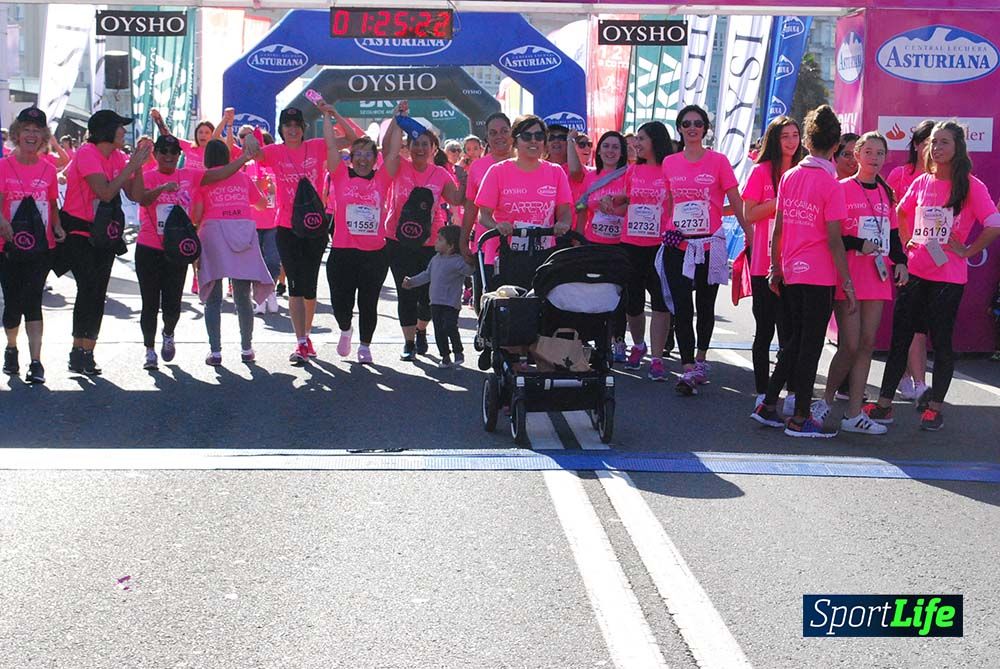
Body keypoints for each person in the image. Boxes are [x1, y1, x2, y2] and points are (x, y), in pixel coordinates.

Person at [864, 121, 1000, 431]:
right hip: (915, 271)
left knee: (941, 342)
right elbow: (899, 213)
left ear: (957, 149)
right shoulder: (921, 181)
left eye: (944, 143)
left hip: (948, 278)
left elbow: (994, 224)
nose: (936, 148)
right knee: (900, 337)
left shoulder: (970, 185)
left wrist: (966, 250)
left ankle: (934, 408)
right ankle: (884, 405)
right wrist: (910, 237)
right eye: (933, 142)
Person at [752, 105, 855, 438]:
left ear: (808, 140)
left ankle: (768, 404)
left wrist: (775, 267)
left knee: (795, 342)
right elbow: (835, 240)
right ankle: (799, 419)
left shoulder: (791, 176)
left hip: (792, 271)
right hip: (818, 275)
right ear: (836, 144)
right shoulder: (831, 184)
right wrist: (848, 283)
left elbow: (778, 228)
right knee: (807, 346)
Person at [810, 132, 909, 435]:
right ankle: (824, 401)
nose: (875, 158)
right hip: (848, 275)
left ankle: (854, 413)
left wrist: (902, 261)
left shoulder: (886, 193)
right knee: (849, 345)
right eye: (868, 152)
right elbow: (832, 234)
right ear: (857, 156)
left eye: (880, 153)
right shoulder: (841, 188)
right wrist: (857, 243)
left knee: (867, 343)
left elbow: (892, 235)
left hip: (877, 276)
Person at [661, 104, 749, 395]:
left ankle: (701, 358)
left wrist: (750, 234)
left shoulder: (719, 161)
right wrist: (667, 229)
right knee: (683, 305)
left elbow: (735, 200)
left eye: (698, 123)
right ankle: (687, 368)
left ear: (705, 128)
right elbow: (668, 203)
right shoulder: (670, 162)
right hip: (680, 245)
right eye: (686, 123)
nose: (692, 127)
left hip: (711, 244)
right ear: (680, 128)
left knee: (706, 306)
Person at [59, 110, 152, 376]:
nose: (124, 132)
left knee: (98, 291)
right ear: (107, 130)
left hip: (106, 232)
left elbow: (136, 196)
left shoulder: (120, 156)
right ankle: (78, 350)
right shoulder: (88, 153)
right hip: (79, 230)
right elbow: (105, 191)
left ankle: (87, 351)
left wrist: (140, 165)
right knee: (88, 287)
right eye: (120, 128)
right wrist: (130, 167)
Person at [256, 106, 342, 365]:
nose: (292, 129)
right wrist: (249, 135)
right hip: (286, 227)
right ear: (281, 129)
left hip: (315, 226)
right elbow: (251, 153)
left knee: (310, 285)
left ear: (303, 127)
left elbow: (349, 139)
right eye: (287, 125)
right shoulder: (274, 152)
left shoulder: (316, 147)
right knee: (294, 284)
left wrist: (330, 114)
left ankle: (306, 335)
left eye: (296, 124)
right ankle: (301, 341)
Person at [384, 104, 465, 361]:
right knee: (405, 291)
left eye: (425, 145)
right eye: (415, 144)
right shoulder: (398, 166)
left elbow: (457, 199)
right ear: (408, 147)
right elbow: (389, 147)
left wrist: (466, 178)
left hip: (432, 243)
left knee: (428, 295)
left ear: (434, 149)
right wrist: (398, 120)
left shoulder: (440, 174)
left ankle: (421, 330)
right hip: (397, 240)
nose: (420, 148)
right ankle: (409, 342)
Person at [326, 110, 401, 365]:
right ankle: (345, 329)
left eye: (368, 154)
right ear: (351, 158)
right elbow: (329, 144)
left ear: (374, 158)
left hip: (374, 254)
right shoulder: (340, 175)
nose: (362, 159)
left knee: (368, 303)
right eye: (357, 154)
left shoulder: (381, 179)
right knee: (340, 302)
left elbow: (393, 151)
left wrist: (398, 118)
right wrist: (329, 115)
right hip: (343, 252)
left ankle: (365, 346)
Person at [742, 116, 805, 409]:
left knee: (790, 332)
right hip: (763, 264)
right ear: (774, 140)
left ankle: (793, 392)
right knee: (765, 330)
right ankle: (761, 390)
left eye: (795, 135)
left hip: (797, 264)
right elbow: (749, 214)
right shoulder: (761, 171)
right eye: (785, 136)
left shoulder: (804, 170)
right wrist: (782, 200)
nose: (792, 141)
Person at [191, 139, 273, 365]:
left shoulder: (203, 180)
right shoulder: (243, 178)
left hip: (213, 234)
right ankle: (247, 349)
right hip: (242, 235)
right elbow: (262, 205)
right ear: (228, 156)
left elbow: (196, 214)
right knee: (242, 297)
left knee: (213, 299)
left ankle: (215, 352)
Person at [0, 107, 65, 384]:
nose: (31, 135)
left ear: (43, 137)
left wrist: (58, 226)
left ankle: (36, 362)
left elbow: (51, 203)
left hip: (41, 247)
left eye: (37, 131)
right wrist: (2, 221)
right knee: (13, 304)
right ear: (17, 134)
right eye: (26, 129)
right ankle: (11, 347)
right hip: (8, 247)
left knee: (33, 301)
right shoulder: (3, 166)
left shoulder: (49, 170)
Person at [475, 114, 574, 288]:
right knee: (511, 311)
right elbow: (483, 215)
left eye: (539, 136)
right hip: (506, 254)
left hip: (544, 254)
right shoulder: (498, 171)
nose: (533, 141)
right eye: (527, 136)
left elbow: (565, 212)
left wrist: (564, 224)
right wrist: (497, 226)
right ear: (515, 141)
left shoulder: (555, 172)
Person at [619, 121, 675, 380]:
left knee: (661, 302)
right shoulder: (632, 171)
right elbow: (627, 204)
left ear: (656, 140)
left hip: (660, 245)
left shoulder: (671, 169)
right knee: (633, 303)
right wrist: (610, 206)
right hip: (631, 244)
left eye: (641, 139)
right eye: (636, 139)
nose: (636, 143)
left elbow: (676, 204)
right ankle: (638, 345)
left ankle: (657, 358)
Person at [568, 129, 629, 360]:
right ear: (599, 151)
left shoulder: (628, 175)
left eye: (615, 147)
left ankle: (619, 341)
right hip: (592, 243)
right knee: (592, 293)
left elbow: (635, 204)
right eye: (606, 146)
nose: (610, 151)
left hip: (621, 244)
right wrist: (577, 239)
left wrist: (614, 206)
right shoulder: (590, 177)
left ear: (622, 151)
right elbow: (581, 208)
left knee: (619, 295)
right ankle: (591, 342)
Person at [886, 120, 936, 401]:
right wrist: (901, 248)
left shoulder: (945, 178)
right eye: (927, 142)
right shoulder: (899, 174)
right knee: (911, 320)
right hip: (904, 259)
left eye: (938, 143)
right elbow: (891, 215)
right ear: (916, 145)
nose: (933, 148)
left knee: (921, 321)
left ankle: (911, 379)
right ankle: (916, 382)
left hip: (935, 263)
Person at [402, 225, 476, 368]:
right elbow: (427, 275)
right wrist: (412, 282)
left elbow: (469, 271)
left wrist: (471, 260)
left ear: (451, 245)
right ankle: (445, 355)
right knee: (438, 330)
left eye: (440, 240)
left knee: (450, 326)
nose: (436, 242)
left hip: (451, 303)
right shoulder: (435, 259)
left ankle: (458, 351)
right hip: (435, 301)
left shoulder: (458, 261)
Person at [460, 113, 512, 311]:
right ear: (487, 139)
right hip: (487, 244)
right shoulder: (478, 166)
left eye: (504, 131)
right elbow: (471, 206)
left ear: (512, 134)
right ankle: (487, 341)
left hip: (521, 244)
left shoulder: (525, 161)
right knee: (486, 303)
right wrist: (463, 240)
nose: (499, 136)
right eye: (493, 133)